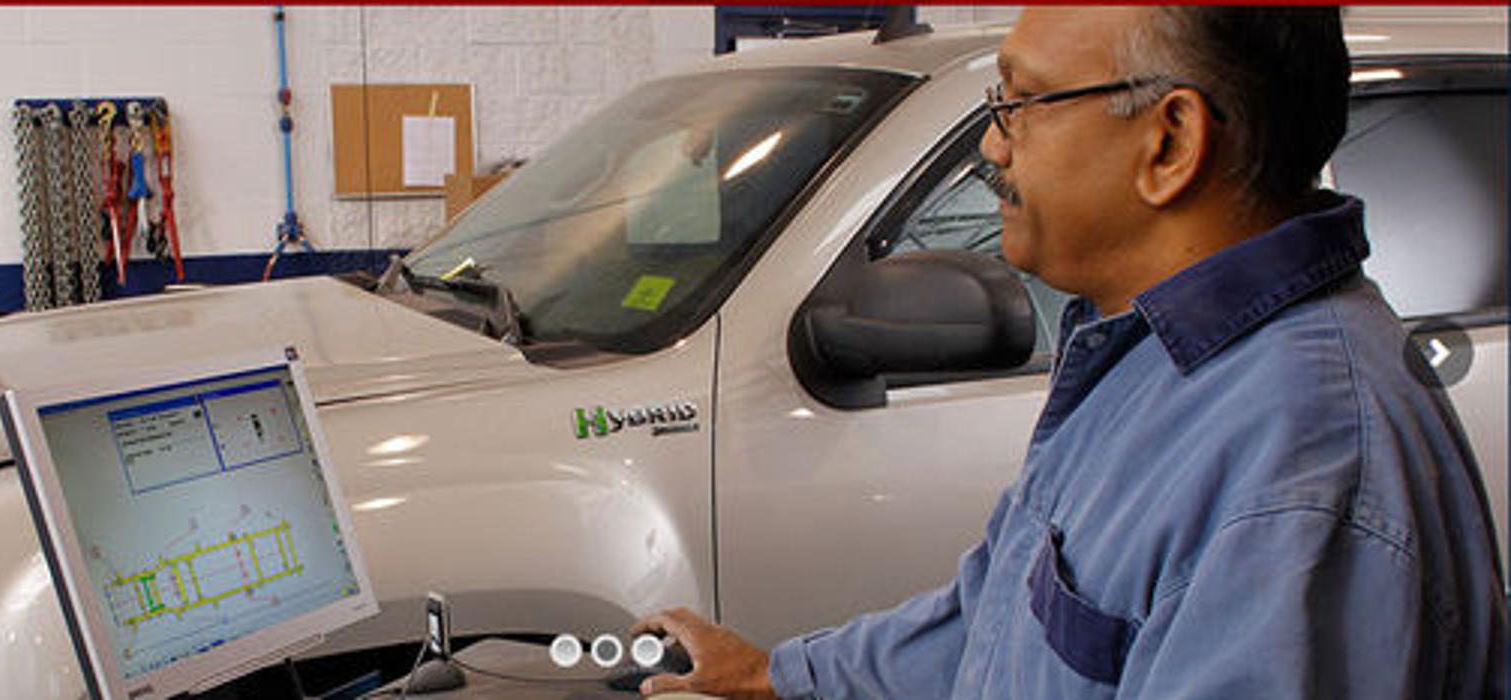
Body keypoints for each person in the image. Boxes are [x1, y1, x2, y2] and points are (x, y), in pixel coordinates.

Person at [632, 7, 1507, 699]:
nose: (992, 144)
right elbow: (992, 619)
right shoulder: (1151, 353)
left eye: (1020, 104)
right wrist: (774, 677)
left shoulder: (1297, 470)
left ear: (1169, 141)